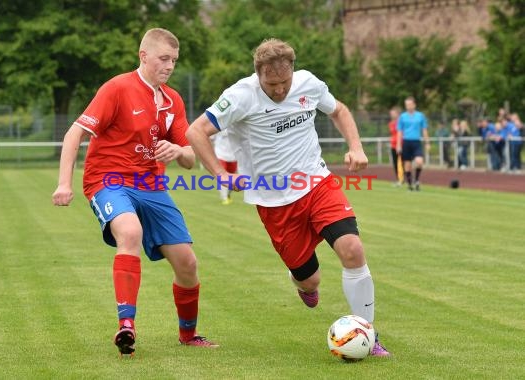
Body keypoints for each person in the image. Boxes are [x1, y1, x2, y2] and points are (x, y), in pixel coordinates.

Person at [186, 38, 390, 357]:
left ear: (293, 72)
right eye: (272, 84)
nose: (280, 90)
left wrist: (356, 146)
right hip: (274, 203)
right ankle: (303, 282)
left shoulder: (309, 83)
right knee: (310, 281)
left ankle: (369, 335)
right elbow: (195, 131)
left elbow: (339, 110)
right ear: (259, 75)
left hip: (317, 182)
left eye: (285, 82)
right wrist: (220, 174)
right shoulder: (240, 96)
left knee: (352, 249)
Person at [51, 28, 218, 356]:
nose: (169, 66)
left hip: (151, 186)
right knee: (130, 231)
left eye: (174, 60)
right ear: (143, 56)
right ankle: (126, 326)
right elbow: (75, 133)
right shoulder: (118, 88)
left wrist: (176, 150)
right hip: (108, 180)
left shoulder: (173, 100)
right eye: (163, 59)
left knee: (187, 263)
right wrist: (64, 183)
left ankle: (189, 335)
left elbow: (188, 158)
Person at [396, 96, 430, 191]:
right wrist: (399, 145)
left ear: (414, 105)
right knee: (407, 165)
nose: (408, 106)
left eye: (410, 104)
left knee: (419, 162)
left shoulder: (420, 116)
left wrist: (427, 142)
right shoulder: (402, 117)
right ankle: (410, 184)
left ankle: (417, 180)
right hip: (406, 142)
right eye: (406, 105)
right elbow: (399, 131)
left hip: (416, 142)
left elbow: (424, 129)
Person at [211, 129, 238, 204]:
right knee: (222, 177)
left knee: (232, 179)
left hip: (233, 156)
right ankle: (224, 197)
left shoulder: (236, 125)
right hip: (220, 155)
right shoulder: (216, 125)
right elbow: (211, 138)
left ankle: (228, 194)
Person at [388, 106, 403, 185]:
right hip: (393, 145)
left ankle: (403, 179)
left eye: (393, 113)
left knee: (401, 162)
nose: (391, 115)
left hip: (400, 145)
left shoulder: (400, 123)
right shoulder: (390, 123)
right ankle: (398, 179)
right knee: (395, 163)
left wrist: (399, 144)